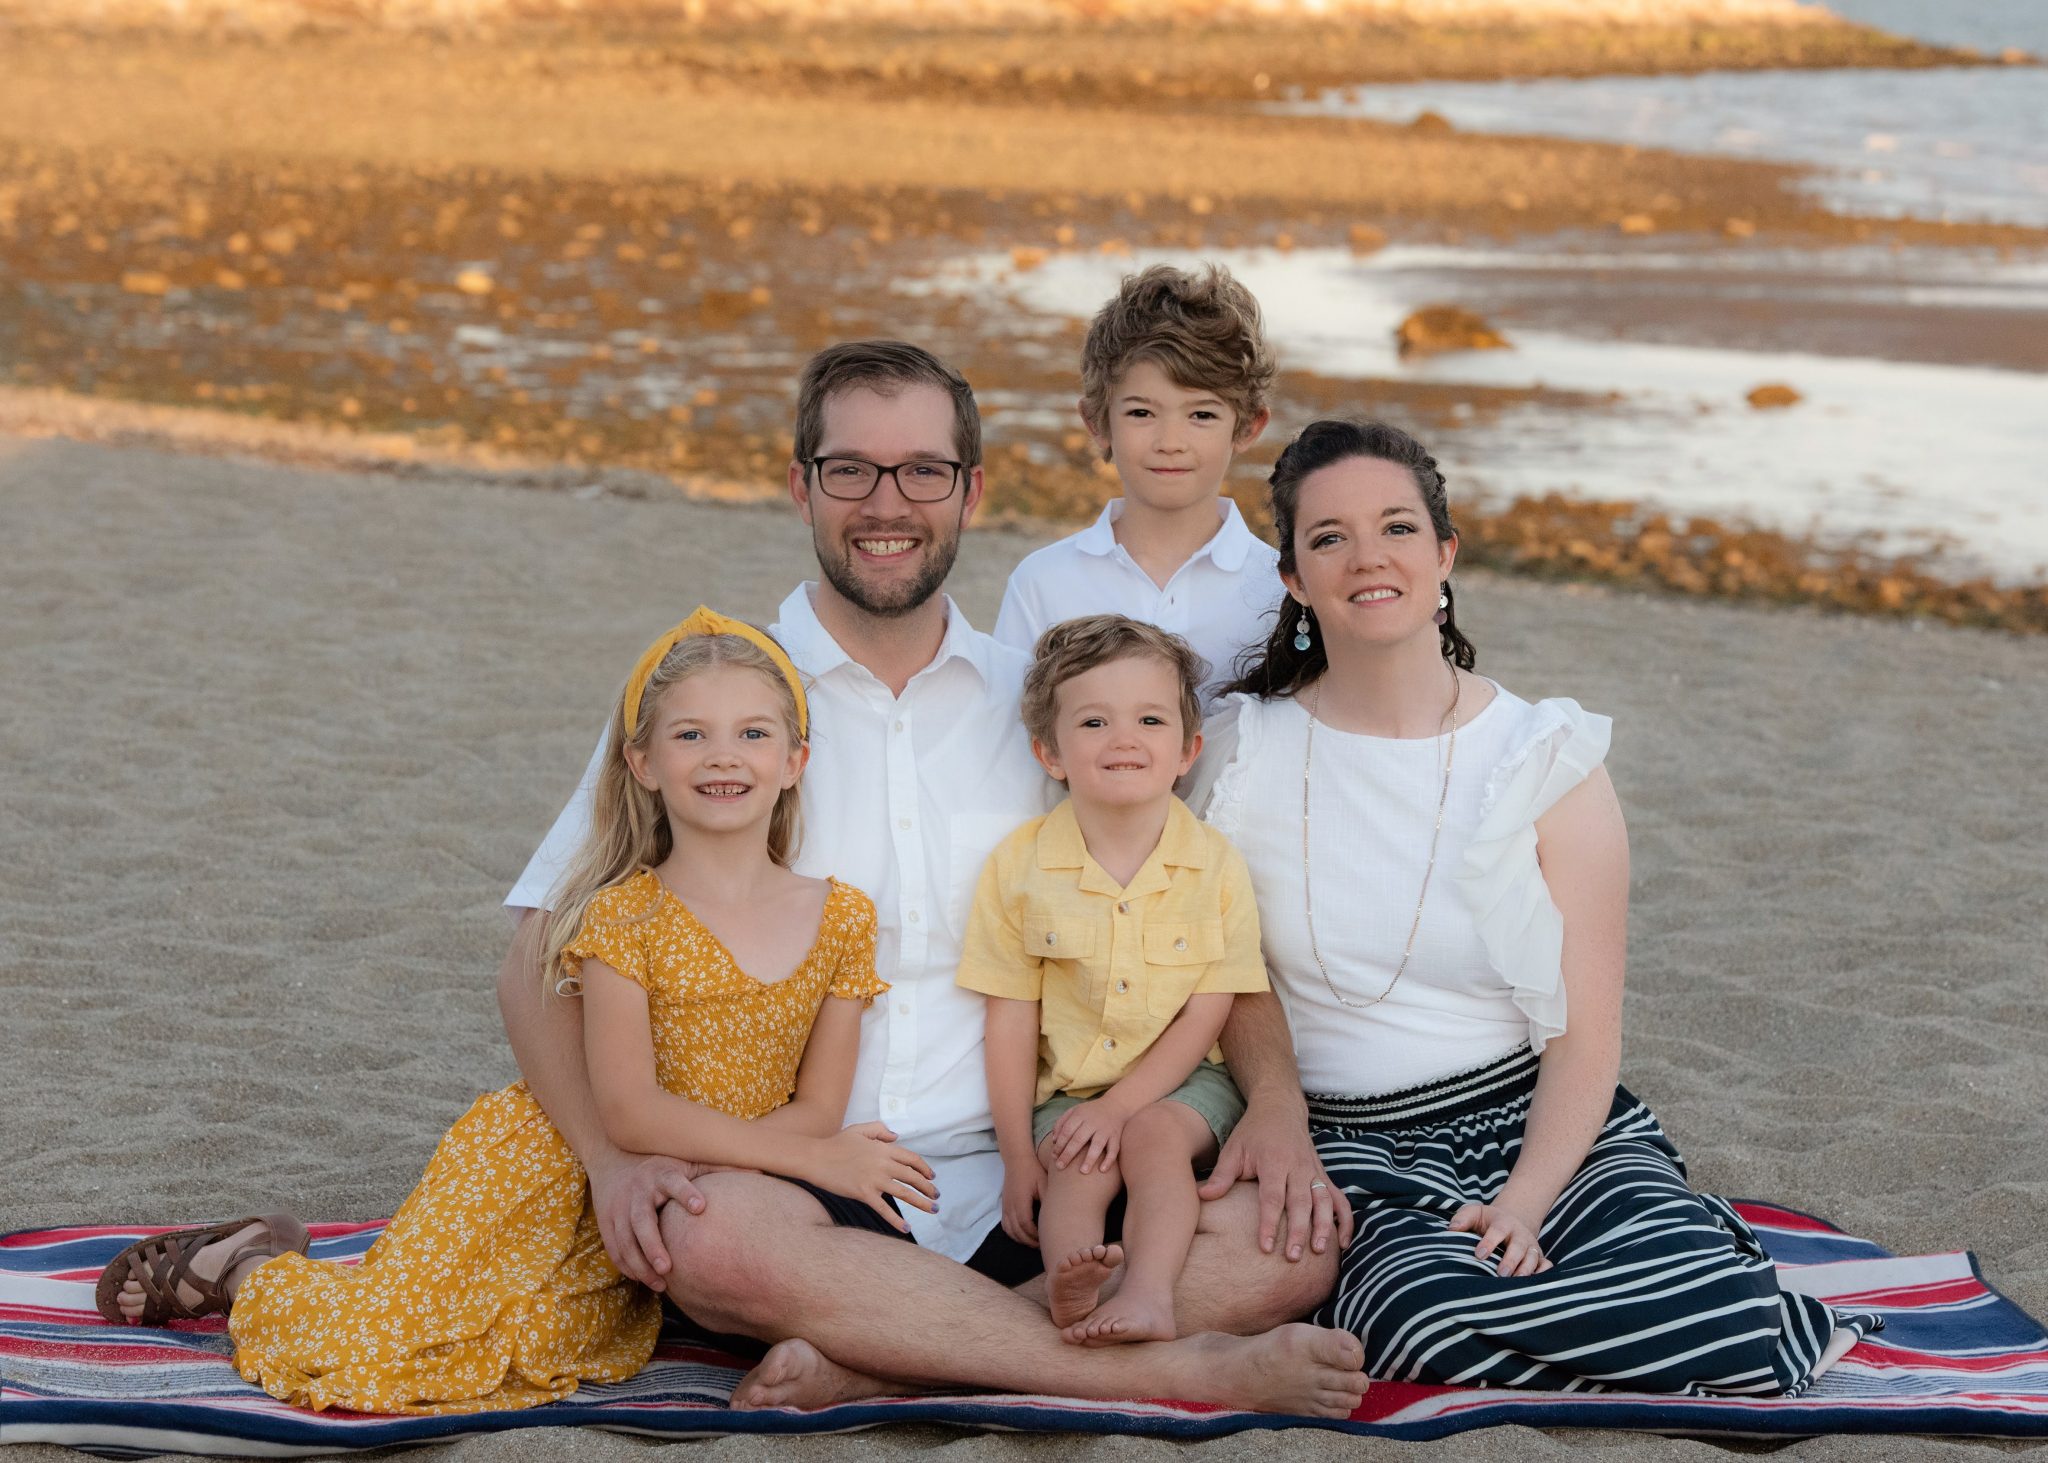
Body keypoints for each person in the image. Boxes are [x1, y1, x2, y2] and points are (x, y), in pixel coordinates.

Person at [498, 340, 1370, 1417]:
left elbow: (1195, 924)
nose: (886, 503)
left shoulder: (1049, 708)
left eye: (922, 470)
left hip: (1042, 1157)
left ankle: (877, 1356)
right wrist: (606, 1159)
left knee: (1283, 1252)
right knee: (706, 1239)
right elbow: (540, 950)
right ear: (800, 485)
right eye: (850, 469)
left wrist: (1276, 1104)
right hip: (795, 1169)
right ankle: (1156, 1370)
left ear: (970, 489)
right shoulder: (719, 705)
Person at [1184, 417, 1882, 1394]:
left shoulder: (1540, 759)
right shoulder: (1239, 750)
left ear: (1443, 553)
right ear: (1294, 576)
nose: (1367, 557)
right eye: (1329, 536)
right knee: (1417, 1321)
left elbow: (1585, 1037)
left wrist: (1522, 1200)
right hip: (1348, 1145)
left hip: (1539, 1123)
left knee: (1714, 1303)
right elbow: (1219, 966)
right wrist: (1276, 1105)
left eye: (1395, 527)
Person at [94, 611, 927, 1416]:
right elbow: (630, 1110)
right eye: (690, 734)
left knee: (533, 1347)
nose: (723, 756)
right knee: (372, 1352)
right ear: (641, 762)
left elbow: (817, 1107)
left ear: (796, 758)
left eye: (752, 733)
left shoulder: (842, 918)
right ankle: (251, 1265)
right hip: (547, 1166)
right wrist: (819, 1161)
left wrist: (802, 1152)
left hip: (659, 1203)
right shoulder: (621, 917)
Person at [959, 616, 1268, 1347]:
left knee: (1155, 1136)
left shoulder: (1216, 863)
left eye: (1150, 719)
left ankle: (1151, 1294)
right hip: (1069, 1085)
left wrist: (1125, 1105)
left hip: (1186, 1081)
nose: (1124, 737)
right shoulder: (1020, 866)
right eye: (1094, 720)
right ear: (1050, 751)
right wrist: (1014, 1156)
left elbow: (1210, 1008)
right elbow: (1008, 1018)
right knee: (1071, 1161)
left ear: (1188, 751)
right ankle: (1071, 1284)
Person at [993, 264, 1280, 705]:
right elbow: (1012, 736)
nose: (1170, 443)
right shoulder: (1042, 583)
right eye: (1141, 413)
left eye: (1202, 414)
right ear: (1097, 422)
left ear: (1247, 426)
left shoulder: (1280, 590)